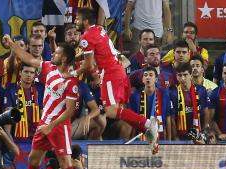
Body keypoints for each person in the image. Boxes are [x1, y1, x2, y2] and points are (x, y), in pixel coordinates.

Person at [73, 8, 159, 154]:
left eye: (77, 18)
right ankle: (147, 129)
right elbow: (95, 54)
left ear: (85, 21)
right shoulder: (99, 30)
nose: (75, 21)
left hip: (110, 75)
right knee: (118, 110)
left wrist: (73, 73)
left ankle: (147, 124)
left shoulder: (86, 37)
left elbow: (88, 64)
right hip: (118, 72)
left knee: (111, 111)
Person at [3, 35, 80, 169]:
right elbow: (28, 58)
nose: (52, 54)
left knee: (65, 163)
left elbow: (70, 111)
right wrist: (11, 44)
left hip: (59, 126)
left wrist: (51, 126)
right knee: (33, 159)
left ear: (63, 59)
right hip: (44, 123)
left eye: (56, 53)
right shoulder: (48, 67)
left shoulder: (71, 82)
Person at [3, 63, 44, 142]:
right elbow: (7, 114)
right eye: (26, 72)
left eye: (32, 73)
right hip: (17, 136)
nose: (29, 75)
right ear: (20, 73)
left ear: (34, 75)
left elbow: (43, 113)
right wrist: (9, 139)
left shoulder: (40, 88)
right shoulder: (11, 89)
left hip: (37, 135)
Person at [169, 63, 209, 141]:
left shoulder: (201, 90)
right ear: (176, 76)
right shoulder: (173, 93)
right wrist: (175, 136)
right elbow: (172, 118)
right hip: (180, 134)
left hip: (197, 133)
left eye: (185, 75)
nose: (183, 78)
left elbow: (205, 111)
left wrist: (204, 131)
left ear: (191, 75)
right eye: (180, 75)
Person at [129, 67, 171, 140]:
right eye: (145, 75)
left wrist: (169, 140)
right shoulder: (135, 96)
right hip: (141, 137)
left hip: (160, 137)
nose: (148, 77)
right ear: (142, 79)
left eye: (151, 75)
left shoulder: (164, 95)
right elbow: (133, 121)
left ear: (156, 79)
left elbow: (168, 118)